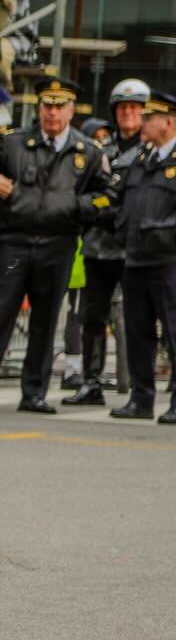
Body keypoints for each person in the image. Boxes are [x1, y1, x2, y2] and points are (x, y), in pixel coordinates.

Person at [0, 79, 113, 414]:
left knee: (45, 320)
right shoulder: (12, 142)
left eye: (60, 106)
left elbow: (107, 198)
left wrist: (75, 206)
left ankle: (34, 393)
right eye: (47, 105)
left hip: (59, 244)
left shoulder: (88, 151)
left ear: (71, 110)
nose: (53, 113)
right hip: (15, 243)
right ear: (39, 108)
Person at [64, 79, 152, 406]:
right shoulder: (99, 149)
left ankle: (141, 387)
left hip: (136, 248)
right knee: (92, 317)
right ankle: (91, 381)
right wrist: (102, 206)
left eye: (135, 108)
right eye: (123, 108)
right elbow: (90, 195)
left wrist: (108, 204)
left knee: (139, 318)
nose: (128, 114)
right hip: (100, 246)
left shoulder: (152, 151)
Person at [111, 90, 176, 424]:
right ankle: (141, 398)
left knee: (174, 331)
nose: (143, 123)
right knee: (139, 333)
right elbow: (123, 203)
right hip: (136, 258)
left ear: (168, 122)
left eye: (149, 118)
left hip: (168, 261)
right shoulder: (141, 159)